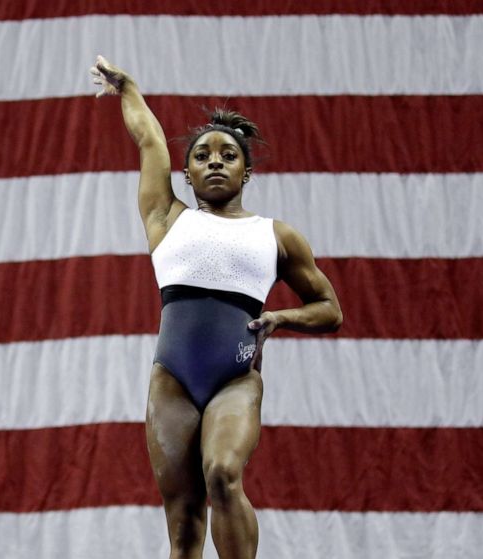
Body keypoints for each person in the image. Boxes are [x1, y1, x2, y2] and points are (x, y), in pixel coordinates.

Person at [91, 55, 343, 559]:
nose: (214, 161)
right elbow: (150, 141)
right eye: (202, 155)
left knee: (223, 475)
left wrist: (281, 317)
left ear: (246, 172)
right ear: (186, 172)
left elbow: (329, 309)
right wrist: (129, 90)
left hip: (234, 378)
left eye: (228, 155)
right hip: (172, 381)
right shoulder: (166, 217)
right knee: (184, 524)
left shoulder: (275, 235)